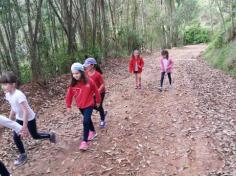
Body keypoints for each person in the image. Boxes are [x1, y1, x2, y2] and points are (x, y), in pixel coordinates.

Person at [0, 72, 56, 166]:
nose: (3, 87)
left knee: (35, 136)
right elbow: (13, 107)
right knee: (16, 136)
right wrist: (9, 121)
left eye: (5, 84)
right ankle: (23, 154)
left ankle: (50, 135)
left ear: (13, 84)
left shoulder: (19, 95)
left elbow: (25, 111)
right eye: (2, 84)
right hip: (19, 118)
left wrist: (24, 127)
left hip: (29, 118)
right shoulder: (8, 95)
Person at [66, 63, 101, 150]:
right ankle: (92, 131)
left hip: (89, 104)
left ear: (81, 72)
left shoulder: (89, 81)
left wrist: (98, 101)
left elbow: (96, 91)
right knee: (87, 119)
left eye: (77, 73)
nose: (75, 75)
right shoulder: (73, 85)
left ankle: (84, 141)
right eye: (73, 74)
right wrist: (68, 106)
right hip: (80, 106)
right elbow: (69, 95)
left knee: (85, 121)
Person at [83, 58, 107, 128]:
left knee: (99, 106)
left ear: (92, 65)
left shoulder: (97, 74)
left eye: (87, 65)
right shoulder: (86, 73)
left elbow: (103, 84)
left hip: (101, 92)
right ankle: (102, 112)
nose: (86, 67)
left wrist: (97, 91)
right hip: (92, 93)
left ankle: (102, 120)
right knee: (91, 106)